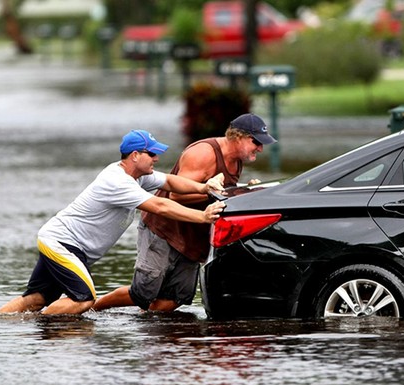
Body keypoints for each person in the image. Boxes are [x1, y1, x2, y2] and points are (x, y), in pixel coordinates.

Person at [0, 129, 226, 315]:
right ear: (135, 155)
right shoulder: (118, 182)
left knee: (36, 299)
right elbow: (160, 206)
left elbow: (170, 182)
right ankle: (40, 331)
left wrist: (203, 187)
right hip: (61, 243)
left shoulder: (137, 176)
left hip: (63, 242)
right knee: (84, 300)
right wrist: (202, 216)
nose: (157, 158)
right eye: (152, 154)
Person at [93, 113, 276, 313]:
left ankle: (146, 331)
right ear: (238, 137)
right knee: (143, 292)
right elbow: (176, 196)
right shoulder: (203, 153)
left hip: (192, 234)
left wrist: (244, 190)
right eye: (256, 142)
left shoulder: (237, 159)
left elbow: (221, 193)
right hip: (164, 229)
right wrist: (221, 193)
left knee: (175, 298)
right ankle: (94, 308)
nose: (260, 148)